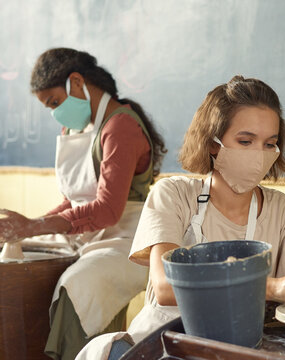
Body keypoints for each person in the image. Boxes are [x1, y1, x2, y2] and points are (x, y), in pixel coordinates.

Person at [76, 75, 285, 360]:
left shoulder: (282, 211)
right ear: (213, 143)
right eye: (245, 141)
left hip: (238, 350)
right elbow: (166, 287)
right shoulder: (173, 195)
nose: (259, 154)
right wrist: (271, 287)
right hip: (162, 344)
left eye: (270, 144)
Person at [0, 48, 167, 360]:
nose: (54, 113)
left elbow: (106, 210)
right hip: (86, 230)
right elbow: (71, 201)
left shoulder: (120, 126)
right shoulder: (75, 128)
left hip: (128, 239)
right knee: (21, 262)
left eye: (54, 103)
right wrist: (26, 228)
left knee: (77, 286)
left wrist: (33, 226)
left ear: (76, 82)